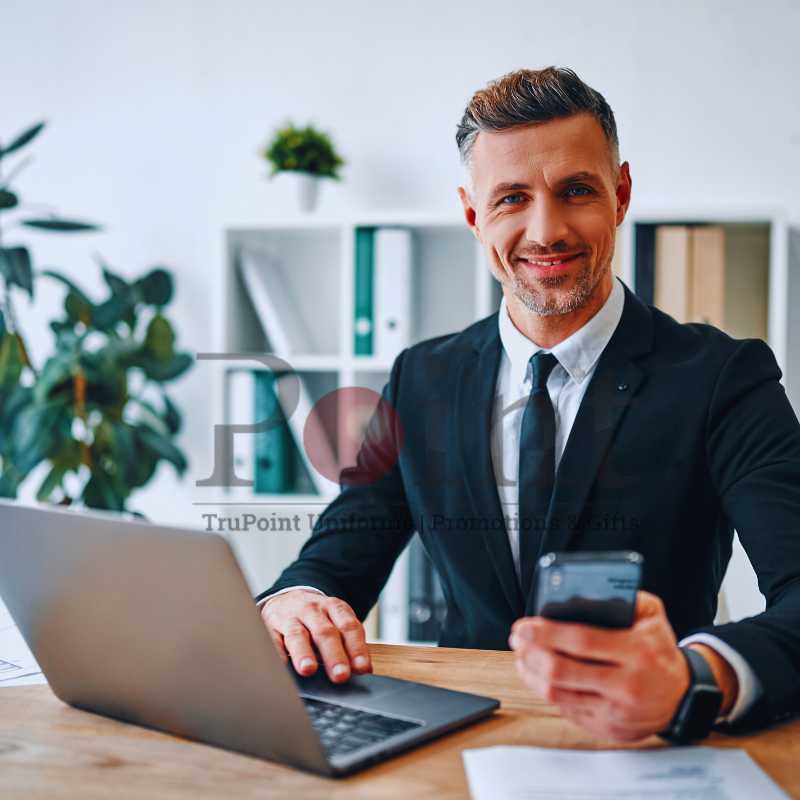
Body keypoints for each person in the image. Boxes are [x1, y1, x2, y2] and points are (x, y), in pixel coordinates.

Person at [256, 67, 800, 741]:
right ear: (472, 215)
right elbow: (337, 557)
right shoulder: (420, 378)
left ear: (621, 194)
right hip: (457, 743)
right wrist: (295, 602)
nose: (546, 232)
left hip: (650, 745)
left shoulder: (724, 377)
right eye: (512, 198)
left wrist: (695, 677)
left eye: (576, 190)